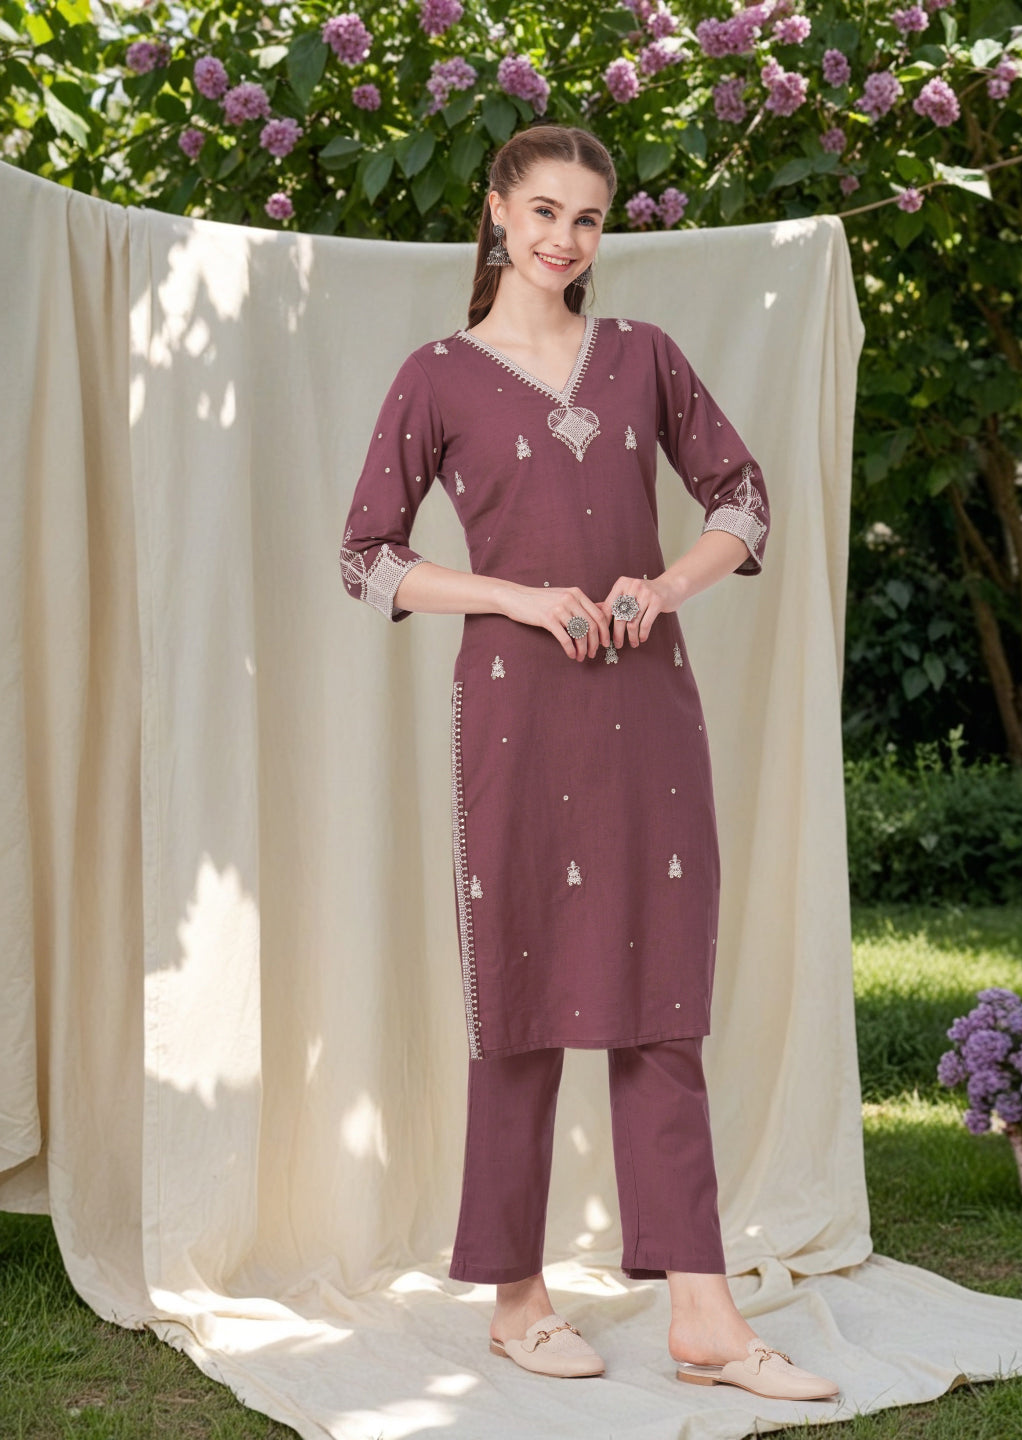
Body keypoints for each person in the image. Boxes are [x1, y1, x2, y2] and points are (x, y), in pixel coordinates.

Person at [339, 122, 839, 1402]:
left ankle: (704, 1315)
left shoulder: (644, 357)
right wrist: (511, 595)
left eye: (589, 219)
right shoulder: (438, 376)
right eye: (545, 211)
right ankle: (517, 1302)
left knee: (663, 1001)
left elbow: (743, 500)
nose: (565, 239)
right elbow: (367, 558)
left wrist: (664, 587)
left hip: (647, 710)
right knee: (520, 1002)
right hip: (514, 717)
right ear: (497, 211)